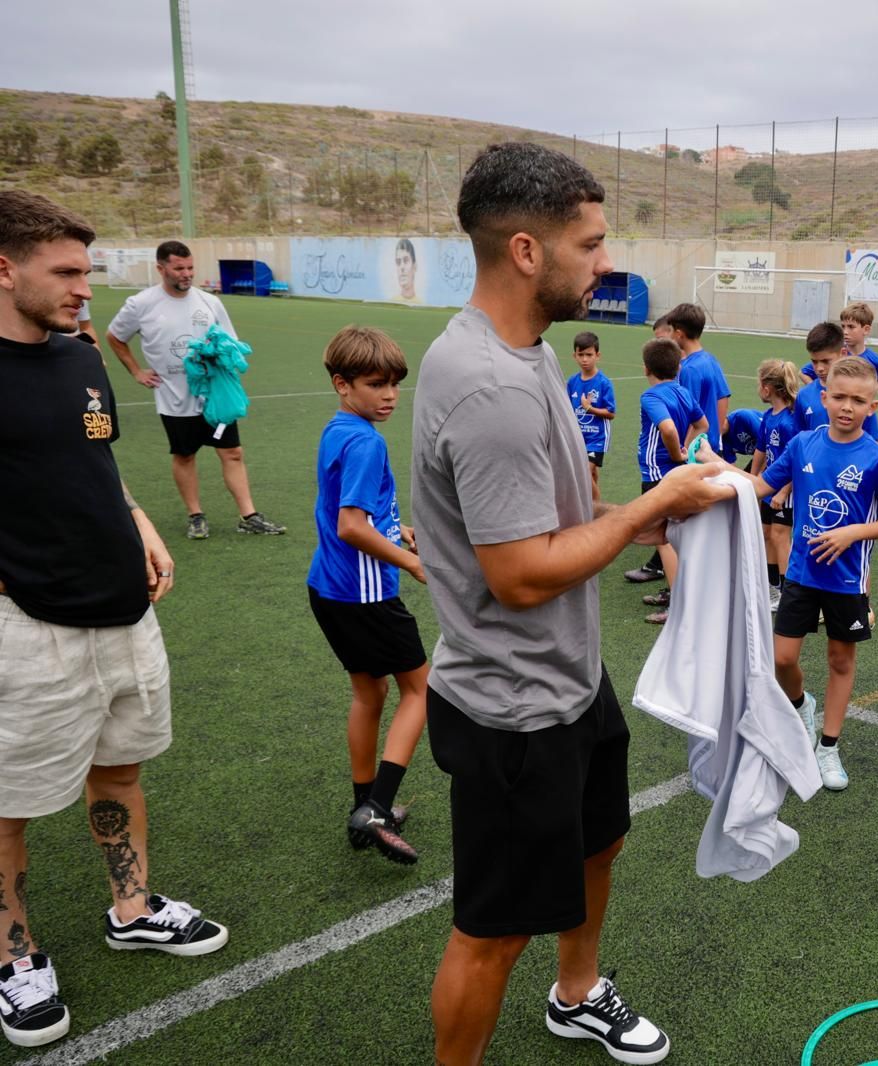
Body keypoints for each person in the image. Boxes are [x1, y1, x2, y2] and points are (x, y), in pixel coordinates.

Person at [412, 143, 731, 1066]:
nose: (605, 264)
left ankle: (578, 991)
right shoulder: (489, 384)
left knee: (602, 846)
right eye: (590, 245)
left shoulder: (524, 350)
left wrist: (642, 514)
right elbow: (517, 573)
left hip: (569, 681)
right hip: (513, 706)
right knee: (493, 931)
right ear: (524, 250)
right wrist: (654, 507)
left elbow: (556, 514)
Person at [0, 190, 228, 1051]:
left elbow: (93, 463)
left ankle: (131, 906)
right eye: (64, 272)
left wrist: (140, 524)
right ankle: (13, 956)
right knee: (7, 806)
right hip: (29, 626)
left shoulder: (81, 358)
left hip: (124, 614)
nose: (83, 289)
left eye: (85, 271)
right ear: (5, 267)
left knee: (122, 772)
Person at [739, 355, 878, 791]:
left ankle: (828, 747)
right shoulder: (802, 445)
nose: (847, 407)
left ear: (873, 406)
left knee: (839, 659)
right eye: (839, 397)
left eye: (858, 400)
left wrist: (851, 533)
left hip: (847, 581)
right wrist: (715, 472)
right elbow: (760, 486)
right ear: (824, 397)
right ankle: (801, 704)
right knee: (782, 659)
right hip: (801, 573)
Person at [307, 325, 431, 866]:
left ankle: (365, 806)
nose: (388, 396)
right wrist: (412, 561)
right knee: (421, 691)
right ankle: (378, 806)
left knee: (370, 694)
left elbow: (361, 510)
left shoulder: (339, 429)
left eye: (395, 385)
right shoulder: (365, 441)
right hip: (364, 594)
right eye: (375, 384)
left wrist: (396, 527)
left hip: (328, 588)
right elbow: (352, 526)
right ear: (342, 383)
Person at [106, 240, 285, 540]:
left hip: (215, 396)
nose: (186, 274)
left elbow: (230, 342)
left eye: (190, 267)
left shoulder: (209, 302)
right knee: (185, 455)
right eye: (179, 268)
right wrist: (136, 371)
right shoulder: (141, 304)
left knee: (233, 452)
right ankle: (195, 516)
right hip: (174, 398)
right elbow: (115, 336)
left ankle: (248, 515)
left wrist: (218, 353)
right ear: (161, 268)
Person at [637, 338, 709, 625]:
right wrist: (687, 449)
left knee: (664, 539)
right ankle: (679, 593)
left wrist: (676, 452)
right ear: (678, 367)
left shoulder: (652, 396)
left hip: (658, 475)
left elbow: (667, 428)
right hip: (676, 473)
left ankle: (679, 605)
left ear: (646, 369)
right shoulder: (683, 392)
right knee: (678, 536)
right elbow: (702, 425)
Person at [751, 359, 802, 611]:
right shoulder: (768, 417)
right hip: (768, 488)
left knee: (781, 538)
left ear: (768, 388)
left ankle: (788, 592)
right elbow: (760, 451)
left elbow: (796, 461)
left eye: (759, 383)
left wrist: (783, 491)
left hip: (785, 492)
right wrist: (752, 481)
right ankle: (773, 588)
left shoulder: (789, 422)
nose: (758, 388)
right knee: (766, 534)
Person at [663, 303, 730, 454]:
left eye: (671, 331)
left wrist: (685, 449)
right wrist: (715, 436)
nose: (670, 335)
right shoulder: (710, 360)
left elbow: (690, 413)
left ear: (680, 334)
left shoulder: (689, 369)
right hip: (710, 445)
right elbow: (723, 398)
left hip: (695, 448)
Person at [566, 330, 615, 504]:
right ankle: (593, 503)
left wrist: (590, 408)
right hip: (578, 438)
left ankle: (595, 506)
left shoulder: (603, 383)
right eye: (581, 355)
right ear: (574, 356)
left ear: (597, 355)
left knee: (585, 472)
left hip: (597, 438)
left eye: (589, 355)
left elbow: (611, 413)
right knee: (591, 473)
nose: (585, 359)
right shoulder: (572, 382)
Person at [839, 301, 878, 440]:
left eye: (851, 327)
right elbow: (807, 372)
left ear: (866, 329)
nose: (845, 332)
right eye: (843, 327)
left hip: (865, 416)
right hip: (841, 414)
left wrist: (870, 391)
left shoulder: (875, 360)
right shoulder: (837, 354)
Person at [395, 238, 421, 303]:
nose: (402, 267)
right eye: (398, 262)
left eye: (406, 261)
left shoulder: (421, 303)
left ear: (414, 266)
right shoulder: (392, 301)